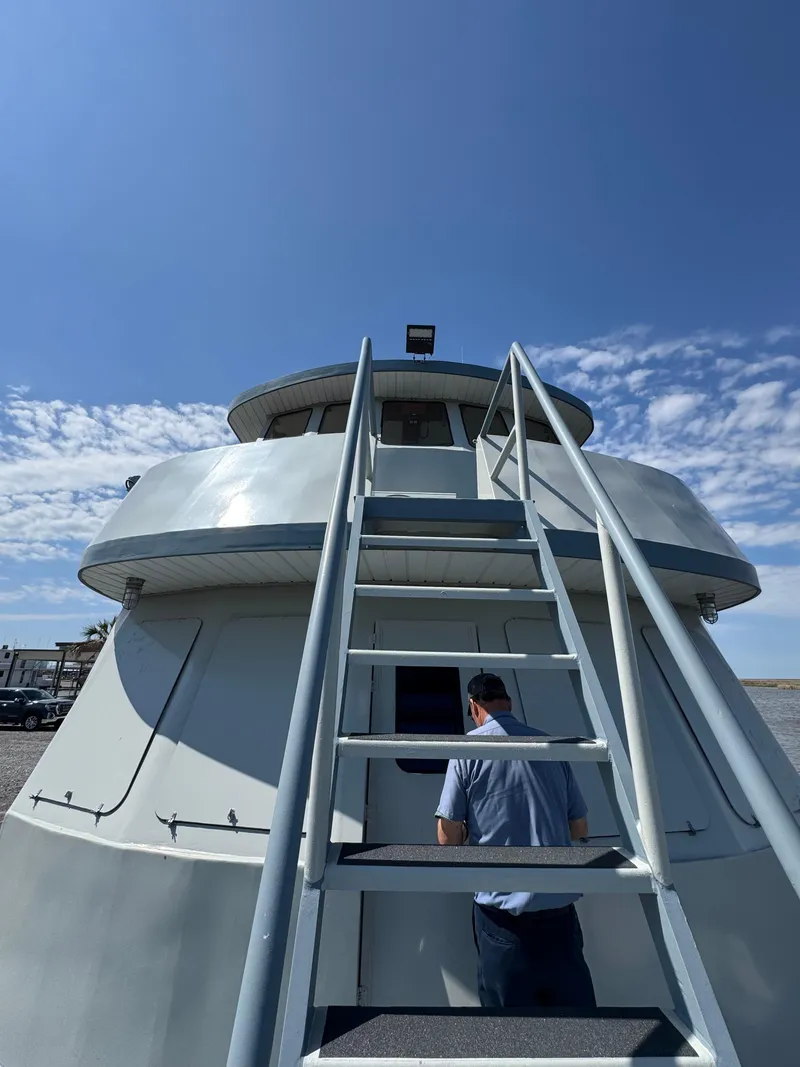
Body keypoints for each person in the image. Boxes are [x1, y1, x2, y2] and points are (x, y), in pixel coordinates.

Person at [435, 672, 596, 1009]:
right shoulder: (550, 746)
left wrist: (467, 831)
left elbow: (447, 838)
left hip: (503, 921)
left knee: (509, 1030)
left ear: (474, 707)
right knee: (576, 1025)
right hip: (560, 917)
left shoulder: (467, 750)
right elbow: (579, 827)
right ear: (508, 703)